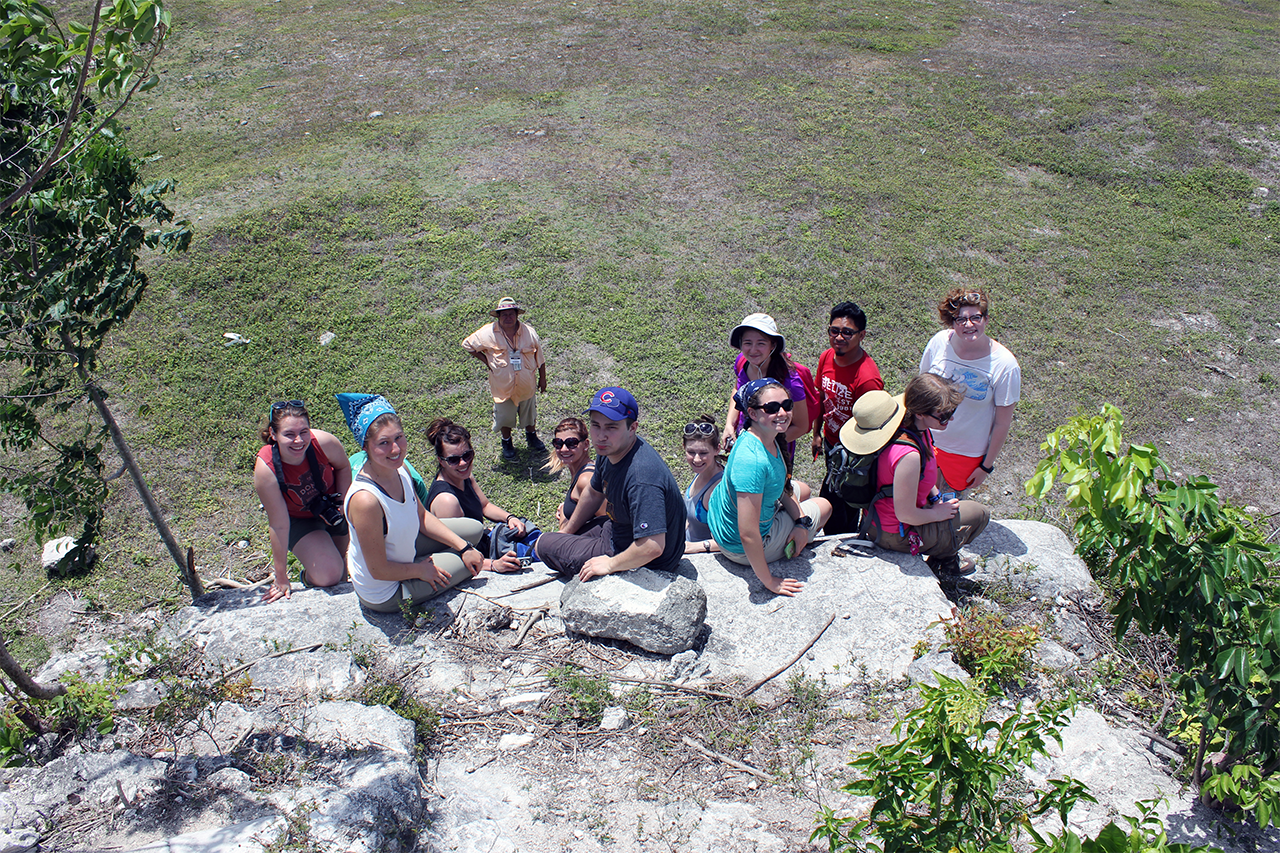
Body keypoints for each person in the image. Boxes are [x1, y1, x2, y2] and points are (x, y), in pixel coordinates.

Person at [335, 393, 486, 613]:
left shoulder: (401, 469)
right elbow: (378, 570)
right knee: (466, 563)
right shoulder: (365, 501)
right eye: (383, 443)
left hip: (404, 547)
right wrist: (419, 571)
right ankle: (422, 568)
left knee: (474, 530)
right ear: (365, 447)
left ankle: (432, 558)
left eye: (399, 438)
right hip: (387, 588)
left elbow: (422, 516)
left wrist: (463, 546)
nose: (395, 449)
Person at [534, 387, 686, 581]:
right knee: (563, 536)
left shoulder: (642, 476)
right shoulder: (610, 450)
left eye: (611, 427)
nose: (601, 436)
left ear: (632, 428)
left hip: (647, 560)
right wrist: (567, 531)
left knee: (543, 543)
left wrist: (609, 564)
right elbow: (594, 493)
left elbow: (652, 546)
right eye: (596, 425)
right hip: (618, 529)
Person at [843, 376, 990, 577]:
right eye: (944, 415)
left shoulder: (910, 428)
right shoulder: (908, 456)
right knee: (978, 513)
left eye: (952, 412)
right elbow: (905, 515)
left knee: (956, 509)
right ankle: (944, 562)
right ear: (920, 413)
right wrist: (938, 513)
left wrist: (937, 498)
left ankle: (943, 553)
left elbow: (919, 478)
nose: (951, 419)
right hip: (895, 534)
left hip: (877, 521)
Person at [708, 379, 833, 597]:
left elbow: (783, 488)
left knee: (802, 489)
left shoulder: (761, 435)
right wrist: (769, 580)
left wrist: (800, 523)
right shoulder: (753, 462)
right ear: (753, 414)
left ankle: (795, 523)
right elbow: (748, 533)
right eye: (772, 408)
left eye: (786, 405)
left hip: (726, 525)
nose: (782, 412)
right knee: (824, 506)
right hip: (739, 547)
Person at [919, 288, 1020, 495]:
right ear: (952, 322)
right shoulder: (939, 343)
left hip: (965, 454)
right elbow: (921, 391)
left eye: (976, 317)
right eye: (961, 319)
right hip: (927, 442)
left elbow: (1002, 423)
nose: (969, 325)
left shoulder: (1005, 365)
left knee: (947, 515)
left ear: (986, 319)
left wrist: (986, 466)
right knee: (916, 504)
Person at [254, 400, 352, 602]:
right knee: (330, 574)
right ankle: (308, 577)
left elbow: (343, 467)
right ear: (273, 434)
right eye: (289, 434)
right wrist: (281, 578)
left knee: (341, 571)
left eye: (304, 432)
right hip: (299, 519)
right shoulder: (267, 468)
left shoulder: (324, 443)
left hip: (332, 509)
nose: (299, 440)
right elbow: (279, 524)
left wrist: (342, 505)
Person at [810, 302, 885, 535]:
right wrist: (816, 433)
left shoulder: (867, 378)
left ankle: (843, 538)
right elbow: (821, 397)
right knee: (833, 492)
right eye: (834, 330)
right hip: (832, 442)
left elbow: (874, 425)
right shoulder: (826, 357)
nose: (839, 337)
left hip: (854, 451)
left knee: (845, 499)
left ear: (861, 335)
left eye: (847, 332)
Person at [423, 417, 527, 571]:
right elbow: (457, 551)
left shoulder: (463, 476)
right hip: (477, 558)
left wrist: (510, 518)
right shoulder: (447, 501)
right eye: (453, 460)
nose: (463, 463)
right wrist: (493, 565)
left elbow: (485, 505)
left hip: (482, 544)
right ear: (441, 461)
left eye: (467, 455)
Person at [461, 296, 548, 462]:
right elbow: (467, 345)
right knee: (505, 417)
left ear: (517, 315)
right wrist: (487, 361)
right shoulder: (487, 333)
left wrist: (542, 379)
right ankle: (507, 442)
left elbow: (540, 357)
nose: (508, 317)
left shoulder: (529, 333)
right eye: (504, 314)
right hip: (502, 388)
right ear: (498, 317)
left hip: (526, 385)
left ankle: (531, 437)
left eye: (511, 314)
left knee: (529, 414)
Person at [722, 313, 811, 458]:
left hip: (774, 451)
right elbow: (738, 389)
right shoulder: (742, 362)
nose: (753, 350)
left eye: (761, 343)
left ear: (773, 345)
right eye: (747, 343)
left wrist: (765, 444)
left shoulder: (789, 381)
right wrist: (729, 425)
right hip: (745, 442)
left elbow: (801, 426)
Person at [544, 416, 608, 532]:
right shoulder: (578, 471)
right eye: (558, 443)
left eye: (571, 443)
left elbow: (608, 522)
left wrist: (564, 512)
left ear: (586, 445)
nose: (563, 449)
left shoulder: (586, 480)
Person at [681, 415, 724, 556]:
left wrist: (695, 547)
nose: (697, 459)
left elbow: (731, 540)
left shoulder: (718, 490)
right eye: (691, 452)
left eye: (703, 453)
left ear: (717, 449)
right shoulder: (702, 471)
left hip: (700, 555)